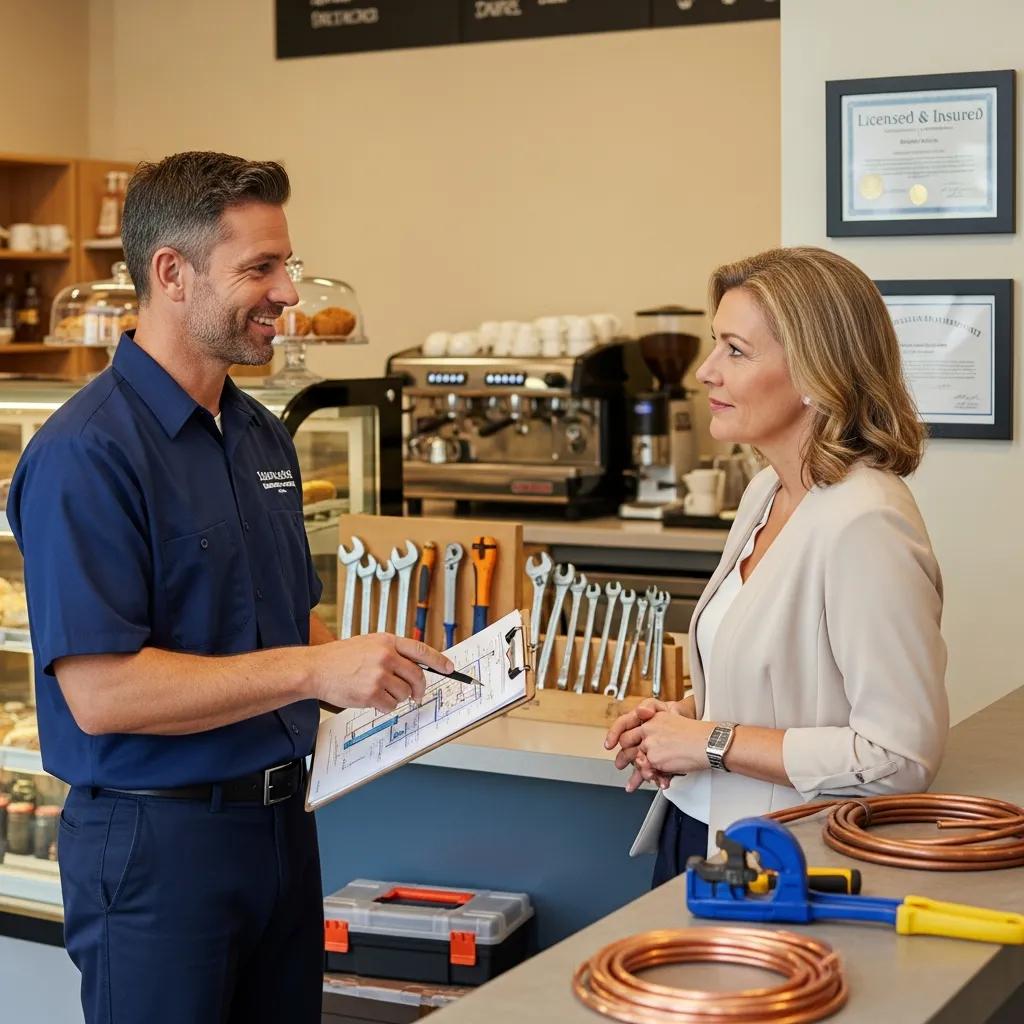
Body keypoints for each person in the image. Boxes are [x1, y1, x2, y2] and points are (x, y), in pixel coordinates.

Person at [7, 151, 453, 1024]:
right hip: (156, 847)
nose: (288, 291)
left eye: (287, 264)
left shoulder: (258, 433)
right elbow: (101, 694)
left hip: (282, 828)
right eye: (260, 268)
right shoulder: (84, 453)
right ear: (171, 274)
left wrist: (385, 677)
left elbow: (281, 628)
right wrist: (315, 672)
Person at [605, 246, 949, 887]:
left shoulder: (866, 523)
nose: (706, 371)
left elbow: (898, 757)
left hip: (785, 861)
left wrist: (710, 741)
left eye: (735, 350)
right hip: (701, 830)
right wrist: (679, 722)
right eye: (715, 344)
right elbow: (786, 685)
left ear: (819, 374)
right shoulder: (768, 491)